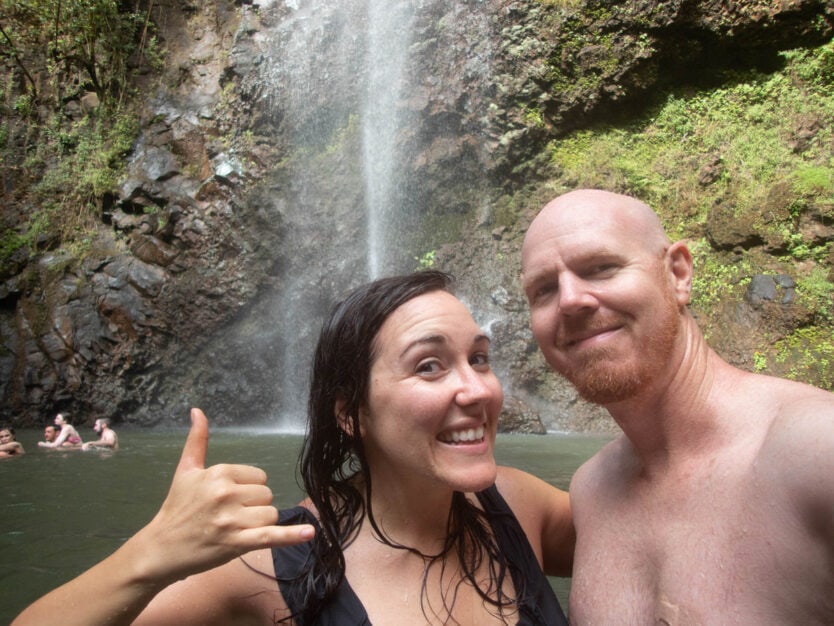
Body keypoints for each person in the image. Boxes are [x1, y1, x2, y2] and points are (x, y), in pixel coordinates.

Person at [14, 271, 574, 625]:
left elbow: (653, 508)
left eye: (478, 358)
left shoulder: (519, 507)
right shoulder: (271, 561)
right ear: (350, 413)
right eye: (429, 366)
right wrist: (149, 557)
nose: (477, 389)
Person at [521, 188, 834, 624]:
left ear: (678, 273)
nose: (571, 300)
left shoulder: (816, 449)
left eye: (601, 268)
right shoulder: (591, 490)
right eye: (543, 290)